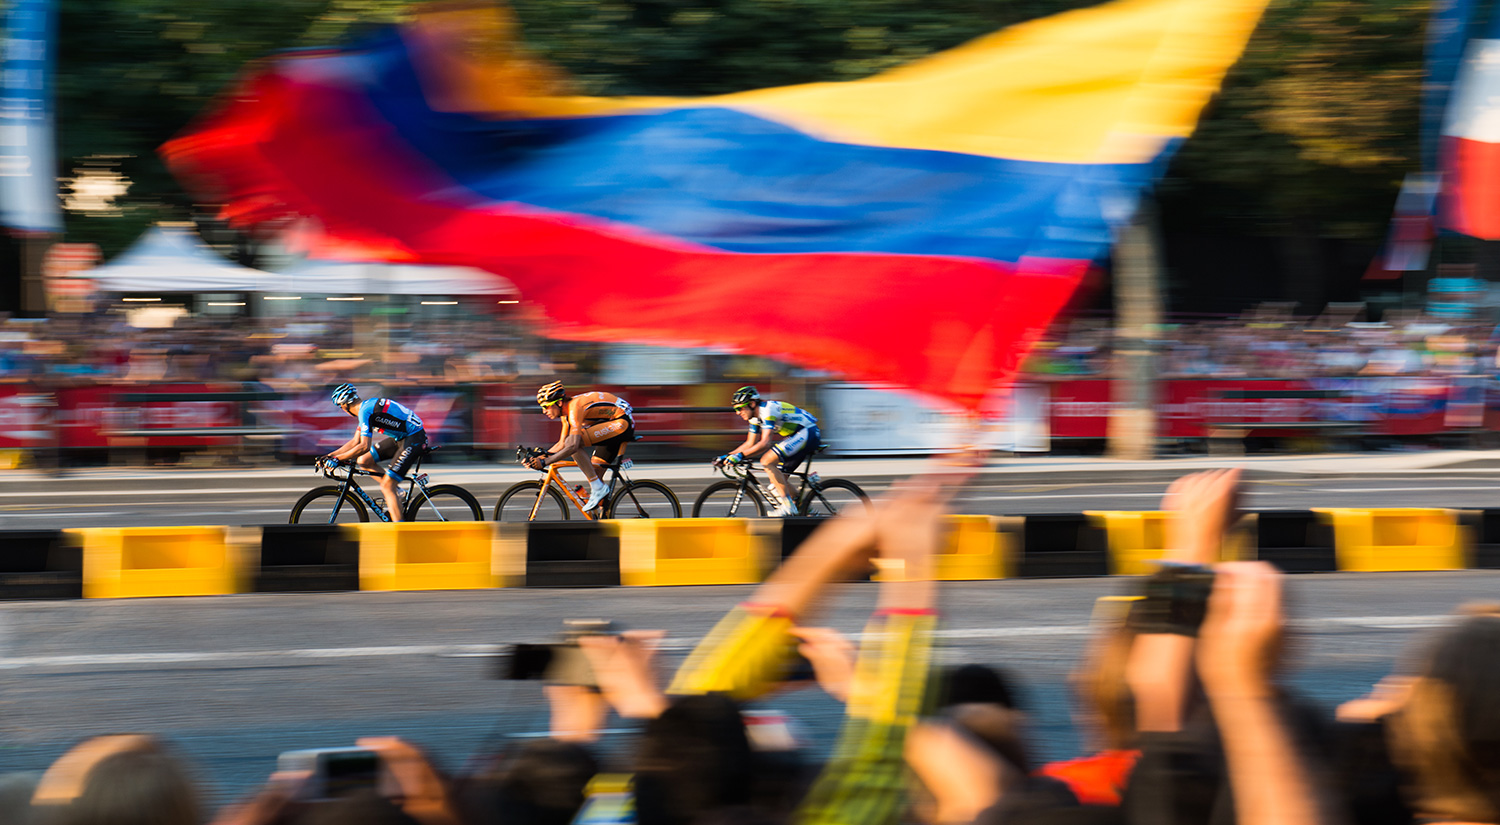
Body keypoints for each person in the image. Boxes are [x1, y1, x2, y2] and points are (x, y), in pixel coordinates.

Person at [322, 383, 427, 523]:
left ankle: (401, 532)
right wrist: (330, 456)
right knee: (363, 461)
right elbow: (354, 442)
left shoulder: (365, 411)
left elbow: (364, 446)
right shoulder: (366, 408)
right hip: (402, 438)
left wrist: (337, 459)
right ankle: (399, 492)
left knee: (387, 486)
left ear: (345, 406)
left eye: (341, 408)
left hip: (414, 439)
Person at [527, 382, 635, 512]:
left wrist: (545, 462)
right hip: (609, 423)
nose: (544, 411)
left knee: (575, 444)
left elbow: (572, 446)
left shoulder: (574, 408)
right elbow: (561, 444)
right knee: (594, 472)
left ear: (559, 403)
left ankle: (599, 490)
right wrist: (538, 457)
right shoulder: (566, 415)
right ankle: (602, 515)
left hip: (622, 422)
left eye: (546, 406)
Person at [717, 386, 820, 517]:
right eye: (735, 409)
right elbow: (750, 443)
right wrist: (727, 456)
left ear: (752, 404)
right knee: (776, 485)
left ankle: (788, 507)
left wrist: (740, 456)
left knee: (767, 461)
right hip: (798, 435)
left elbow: (765, 443)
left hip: (808, 432)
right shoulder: (754, 418)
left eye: (740, 408)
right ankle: (806, 509)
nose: (737, 412)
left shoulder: (767, 410)